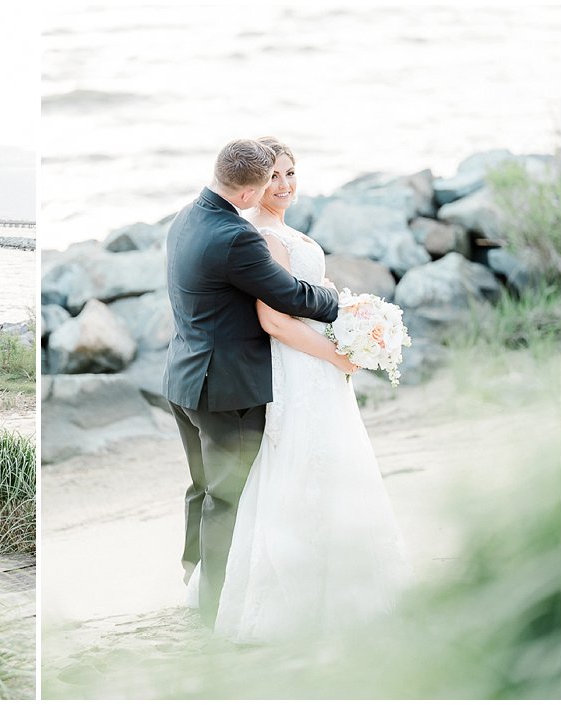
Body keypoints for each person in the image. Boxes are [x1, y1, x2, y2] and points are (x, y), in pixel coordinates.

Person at [210, 137, 413, 642]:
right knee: (303, 464)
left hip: (315, 362)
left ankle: (346, 573)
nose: (283, 186)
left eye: (290, 174)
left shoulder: (279, 229)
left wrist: (355, 325)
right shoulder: (262, 236)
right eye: (273, 176)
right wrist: (338, 353)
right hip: (298, 366)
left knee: (334, 461)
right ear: (252, 184)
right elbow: (274, 321)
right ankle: (298, 596)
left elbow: (306, 301)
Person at [163, 139, 342, 628]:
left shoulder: (187, 215)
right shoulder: (235, 236)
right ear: (248, 193)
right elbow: (287, 296)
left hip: (184, 379)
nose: (276, 189)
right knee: (226, 499)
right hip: (224, 390)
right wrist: (343, 309)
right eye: (268, 182)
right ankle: (216, 605)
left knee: (203, 488)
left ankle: (194, 575)